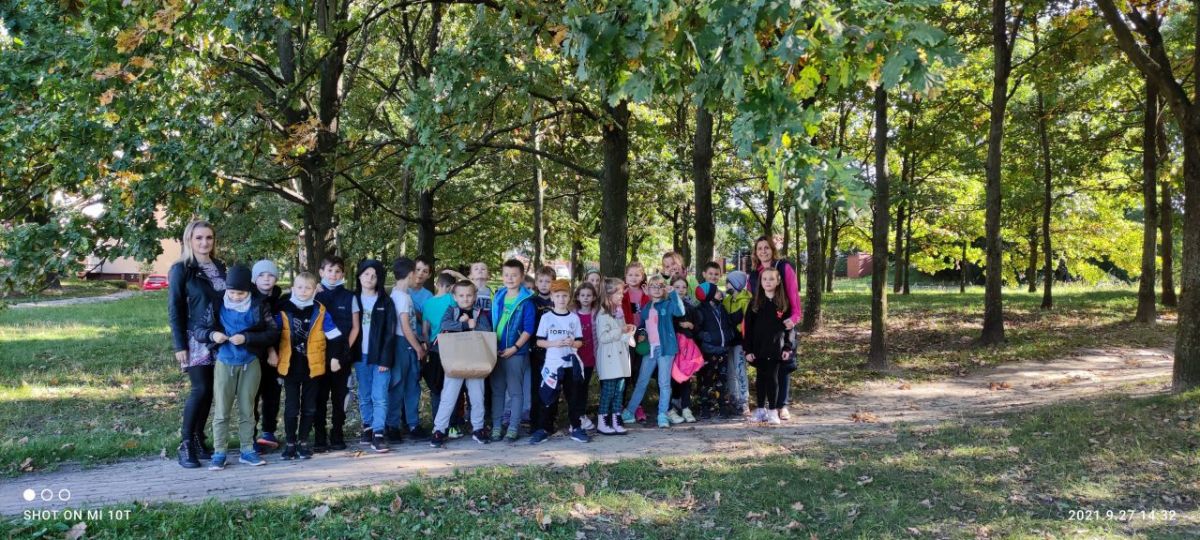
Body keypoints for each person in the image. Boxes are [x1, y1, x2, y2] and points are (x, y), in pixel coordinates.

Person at [197, 265, 280, 469]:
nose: (235, 297)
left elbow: (272, 333)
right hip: (225, 362)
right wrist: (212, 335)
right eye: (232, 292)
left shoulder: (259, 305)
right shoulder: (217, 303)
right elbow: (199, 330)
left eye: (240, 294)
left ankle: (247, 450)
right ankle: (219, 452)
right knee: (222, 410)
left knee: (247, 409)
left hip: (250, 362)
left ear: (249, 291)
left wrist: (247, 338)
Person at [167, 220, 226, 468]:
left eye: (209, 237)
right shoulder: (181, 269)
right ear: (189, 240)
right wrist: (180, 345)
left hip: (218, 338)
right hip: (195, 339)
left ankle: (199, 440)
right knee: (200, 389)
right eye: (199, 238)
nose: (204, 242)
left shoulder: (219, 267)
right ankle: (185, 444)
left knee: (211, 391)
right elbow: (175, 309)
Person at [276, 272, 343, 459]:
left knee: (309, 407)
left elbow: (335, 336)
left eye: (308, 288)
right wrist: (272, 353)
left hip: (313, 368)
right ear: (293, 288)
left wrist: (335, 357)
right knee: (291, 407)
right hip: (290, 367)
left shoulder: (320, 311)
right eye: (299, 287)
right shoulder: (283, 309)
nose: (303, 291)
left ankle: (303, 442)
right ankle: (290, 443)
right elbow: (273, 334)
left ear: (315, 290)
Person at [430, 280, 493, 447]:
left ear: (475, 296)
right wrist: (465, 324)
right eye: (461, 295)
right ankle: (439, 429)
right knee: (448, 396)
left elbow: (487, 331)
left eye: (469, 295)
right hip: (455, 360)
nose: (465, 298)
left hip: (475, 361)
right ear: (455, 297)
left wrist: (473, 324)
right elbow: (444, 325)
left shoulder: (480, 313)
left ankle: (478, 428)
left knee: (477, 396)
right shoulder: (451, 310)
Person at [747, 236, 802, 421]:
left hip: (783, 322)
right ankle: (763, 406)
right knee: (764, 370)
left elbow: (793, 295)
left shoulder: (783, 267)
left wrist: (794, 318)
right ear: (755, 252)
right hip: (762, 330)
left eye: (766, 247)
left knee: (783, 364)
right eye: (759, 248)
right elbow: (752, 301)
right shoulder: (754, 274)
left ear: (772, 249)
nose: (763, 251)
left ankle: (781, 405)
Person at [621, 274, 685, 428]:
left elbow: (680, 312)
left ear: (664, 289)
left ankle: (662, 414)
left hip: (665, 349)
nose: (656, 289)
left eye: (660, 286)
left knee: (664, 383)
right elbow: (643, 325)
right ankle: (629, 411)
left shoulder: (668, 304)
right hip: (649, 350)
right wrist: (641, 334)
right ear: (648, 289)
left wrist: (673, 293)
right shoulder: (647, 307)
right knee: (641, 381)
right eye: (653, 287)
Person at [531, 279, 587, 444]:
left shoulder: (574, 318)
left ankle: (576, 427)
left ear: (569, 297)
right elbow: (539, 341)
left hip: (570, 365)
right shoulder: (547, 317)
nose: (561, 299)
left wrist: (572, 343)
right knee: (547, 397)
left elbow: (580, 342)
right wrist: (554, 343)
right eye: (558, 296)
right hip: (553, 365)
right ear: (552, 297)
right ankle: (543, 429)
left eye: (564, 295)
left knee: (574, 397)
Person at [314, 255, 359, 452]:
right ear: (321, 272)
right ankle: (319, 437)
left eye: (338, 271)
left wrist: (344, 351)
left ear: (343, 274)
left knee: (340, 397)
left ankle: (337, 434)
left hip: (341, 356)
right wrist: (312, 292)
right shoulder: (313, 294)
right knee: (319, 397)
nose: (333, 274)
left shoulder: (350, 297)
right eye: (329, 270)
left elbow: (355, 327)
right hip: (318, 355)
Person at [490, 259, 536, 441]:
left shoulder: (526, 301)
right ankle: (496, 426)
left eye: (514, 275)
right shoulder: (498, 296)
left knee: (516, 392)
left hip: (516, 353)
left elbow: (528, 329)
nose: (510, 278)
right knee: (498, 390)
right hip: (496, 351)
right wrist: (492, 346)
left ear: (522, 277)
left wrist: (515, 347)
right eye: (506, 275)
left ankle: (513, 427)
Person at [354, 259, 396, 453]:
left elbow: (390, 332)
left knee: (380, 395)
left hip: (380, 357)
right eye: (366, 274)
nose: (369, 278)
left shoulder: (385, 302)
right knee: (364, 394)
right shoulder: (353, 299)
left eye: (374, 275)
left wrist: (386, 359)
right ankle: (368, 427)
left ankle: (378, 433)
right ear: (359, 276)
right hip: (359, 356)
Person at [744, 267, 795, 425]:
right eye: (764, 279)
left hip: (776, 349)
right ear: (760, 282)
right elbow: (748, 328)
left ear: (778, 281)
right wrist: (748, 349)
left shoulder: (783, 303)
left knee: (773, 379)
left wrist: (787, 347)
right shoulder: (755, 303)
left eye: (771, 279)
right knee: (760, 378)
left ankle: (773, 411)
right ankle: (760, 409)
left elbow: (789, 329)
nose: (768, 282)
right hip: (758, 349)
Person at [388, 257, 428, 442]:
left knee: (412, 385)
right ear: (410, 274)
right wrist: (418, 347)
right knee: (398, 385)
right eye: (416, 272)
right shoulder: (401, 297)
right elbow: (405, 326)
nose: (418, 276)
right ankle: (393, 425)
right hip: (402, 344)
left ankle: (413, 424)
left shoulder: (403, 295)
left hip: (408, 344)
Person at [251, 260, 284, 453]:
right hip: (255, 354)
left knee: (272, 394)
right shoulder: (248, 298)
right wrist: (270, 350)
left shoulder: (281, 300)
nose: (266, 279)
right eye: (261, 275)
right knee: (252, 396)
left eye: (270, 275)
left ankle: (269, 432)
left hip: (277, 357)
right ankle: (250, 436)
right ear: (254, 279)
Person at [421, 272, 459, 436]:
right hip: (451, 346)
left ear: (437, 284)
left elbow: (425, 330)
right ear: (451, 287)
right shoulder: (451, 299)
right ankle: (452, 426)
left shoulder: (427, 303)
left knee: (436, 388)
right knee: (451, 387)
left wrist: (427, 346)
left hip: (435, 348)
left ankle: (437, 425)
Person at [595, 278, 632, 435]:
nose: (621, 296)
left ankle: (616, 420)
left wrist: (628, 331)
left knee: (619, 391)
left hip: (620, 357)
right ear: (609, 294)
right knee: (608, 391)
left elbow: (621, 333)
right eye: (618, 293)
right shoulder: (603, 314)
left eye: (622, 293)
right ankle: (602, 421)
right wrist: (620, 331)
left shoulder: (619, 312)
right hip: (609, 358)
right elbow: (603, 337)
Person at [694, 282, 734, 419]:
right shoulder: (700, 310)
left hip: (722, 350)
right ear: (709, 295)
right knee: (706, 380)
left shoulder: (721, 308)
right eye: (716, 291)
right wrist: (707, 337)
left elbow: (727, 324)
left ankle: (722, 406)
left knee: (722, 379)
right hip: (709, 352)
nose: (720, 292)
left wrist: (729, 335)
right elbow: (697, 330)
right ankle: (705, 406)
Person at [620, 261, 650, 422]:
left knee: (639, 372)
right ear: (625, 276)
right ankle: (620, 404)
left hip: (643, 335)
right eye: (630, 275)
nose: (633, 278)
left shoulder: (646, 292)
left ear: (642, 276)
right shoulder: (622, 292)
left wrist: (648, 296)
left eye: (637, 275)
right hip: (626, 336)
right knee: (626, 371)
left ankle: (638, 405)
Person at [527, 266, 556, 432]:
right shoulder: (532, 302)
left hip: (554, 350)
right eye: (541, 281)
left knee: (552, 385)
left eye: (548, 281)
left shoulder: (557, 301)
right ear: (536, 283)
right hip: (536, 351)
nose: (544, 284)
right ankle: (535, 423)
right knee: (537, 387)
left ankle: (549, 422)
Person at [723, 271, 752, 415]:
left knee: (740, 369)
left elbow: (748, 322)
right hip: (728, 341)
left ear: (736, 284)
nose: (725, 285)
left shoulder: (746, 300)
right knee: (730, 370)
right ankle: (733, 398)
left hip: (740, 341)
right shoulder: (726, 300)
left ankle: (744, 400)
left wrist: (737, 329)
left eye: (728, 282)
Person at [573, 282, 600, 431]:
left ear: (594, 297)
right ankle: (575, 416)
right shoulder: (573, 314)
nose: (585, 298)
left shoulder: (596, 314)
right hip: (576, 358)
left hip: (590, 358)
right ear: (577, 297)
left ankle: (581, 414)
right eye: (582, 295)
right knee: (575, 387)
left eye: (588, 295)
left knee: (584, 387)